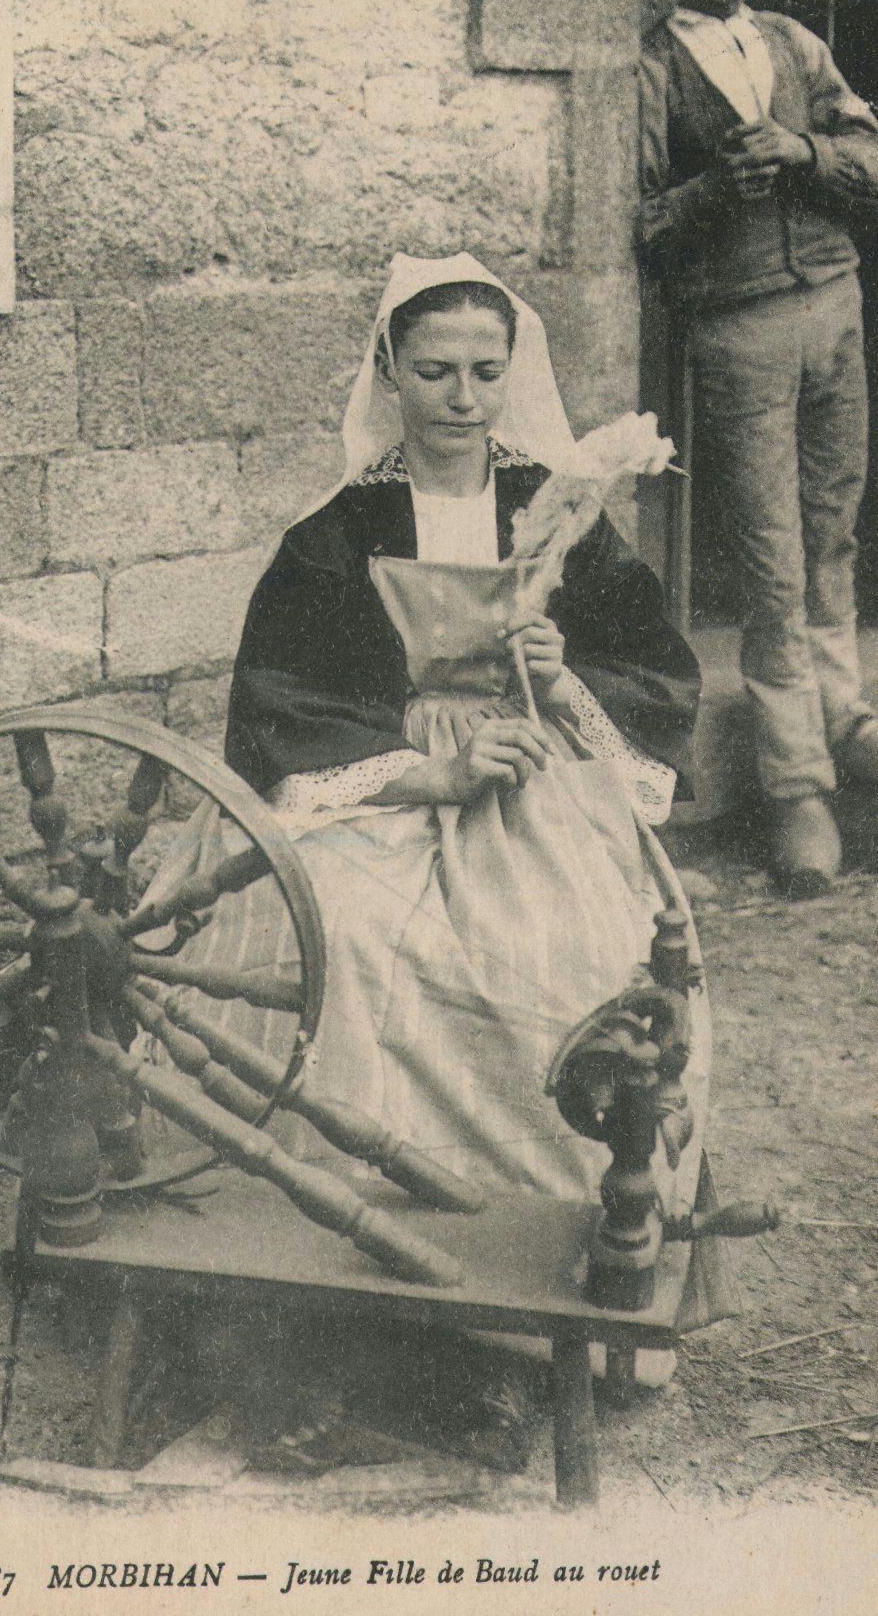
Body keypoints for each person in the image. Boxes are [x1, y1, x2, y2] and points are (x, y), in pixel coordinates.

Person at [151, 253, 712, 1468]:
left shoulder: (562, 510)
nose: (463, 398)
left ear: (513, 375)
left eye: (485, 373)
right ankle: (323, 1289)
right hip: (382, 791)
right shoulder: (335, 533)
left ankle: (520, 1301)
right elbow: (280, 710)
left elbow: (654, 673)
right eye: (436, 371)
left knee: (559, 955)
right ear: (389, 371)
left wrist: (562, 678)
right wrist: (425, 763)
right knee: (341, 943)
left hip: (532, 785)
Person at [640, 0, 878, 898]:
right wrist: (712, 192)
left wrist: (805, 152)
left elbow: (871, 156)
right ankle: (796, 786)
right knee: (772, 561)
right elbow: (638, 223)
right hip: (738, 324)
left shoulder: (793, 43)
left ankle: (846, 719)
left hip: (835, 302)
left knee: (832, 532)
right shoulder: (652, 66)